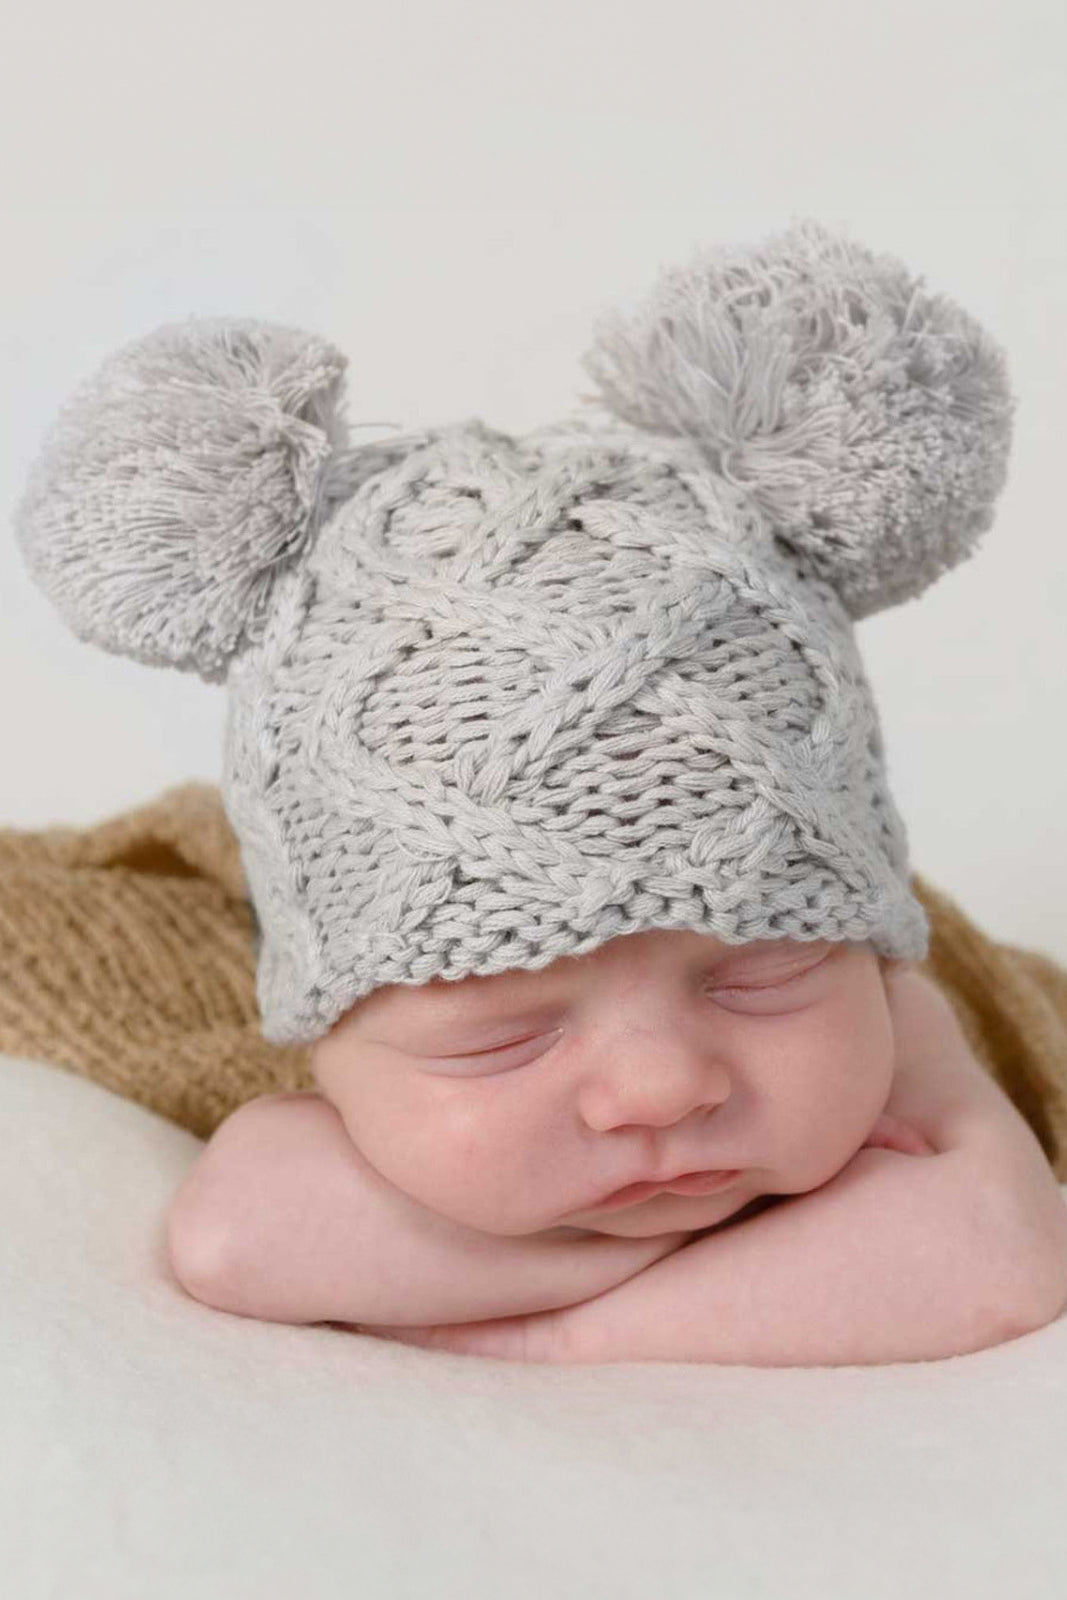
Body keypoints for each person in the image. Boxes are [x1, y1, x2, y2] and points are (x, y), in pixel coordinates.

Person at [14, 216, 1067, 1365]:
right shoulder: (349, 1017)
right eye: (501, 1040)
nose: (659, 1086)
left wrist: (556, 1336)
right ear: (327, 1043)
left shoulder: (883, 991)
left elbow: (995, 1251)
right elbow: (235, 1236)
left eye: (758, 980)